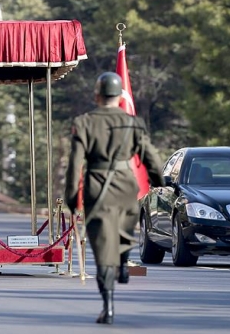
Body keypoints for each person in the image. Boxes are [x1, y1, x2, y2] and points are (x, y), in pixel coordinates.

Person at [64, 72, 165, 324]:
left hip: (97, 188)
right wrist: (159, 182)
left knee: (101, 249)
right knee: (124, 231)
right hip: (126, 187)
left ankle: (108, 306)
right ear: (120, 97)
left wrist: (71, 198)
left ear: (96, 95)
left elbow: (75, 163)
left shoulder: (84, 122)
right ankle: (123, 259)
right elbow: (150, 157)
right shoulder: (134, 123)